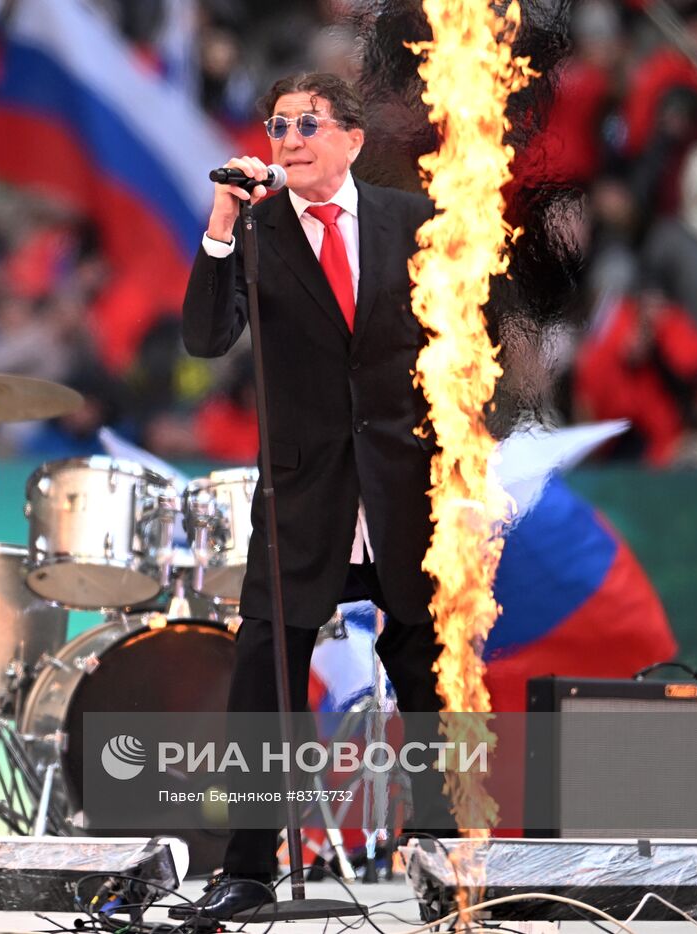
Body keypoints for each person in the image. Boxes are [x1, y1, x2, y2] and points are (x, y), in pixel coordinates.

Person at [175, 71, 451, 920]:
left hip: (405, 486)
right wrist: (220, 230)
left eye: (307, 124)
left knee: (429, 676)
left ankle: (448, 857)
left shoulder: (413, 222)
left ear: (353, 138)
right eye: (277, 126)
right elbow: (204, 337)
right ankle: (247, 870)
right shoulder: (256, 229)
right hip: (304, 492)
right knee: (267, 676)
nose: (289, 139)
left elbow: (456, 351)